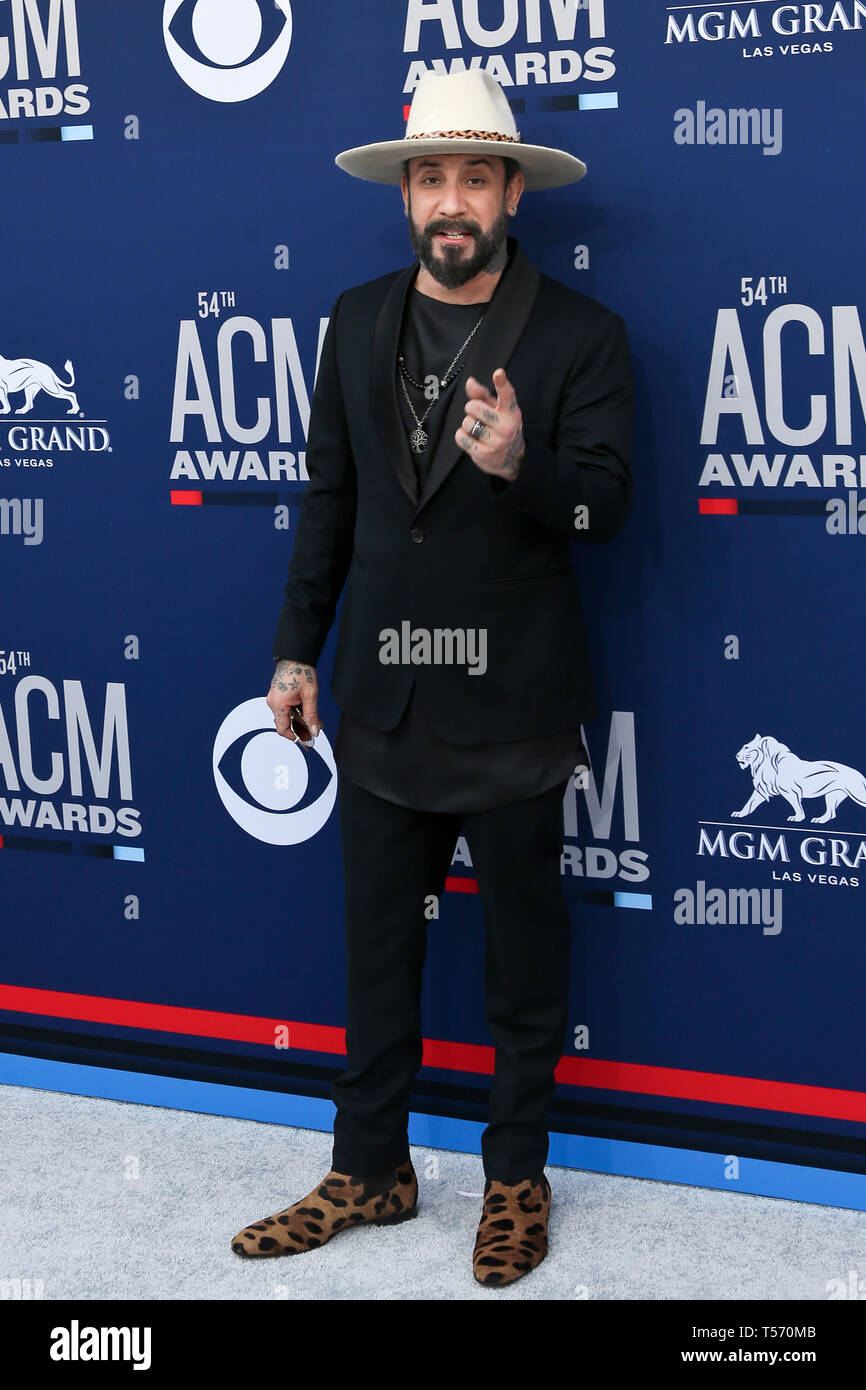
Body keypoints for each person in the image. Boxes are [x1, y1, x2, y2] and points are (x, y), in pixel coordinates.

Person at [231, 69, 633, 1288]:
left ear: (511, 191)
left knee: (520, 962)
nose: (447, 200)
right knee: (375, 953)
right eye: (426, 179)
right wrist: (298, 646)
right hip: (383, 698)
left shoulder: (581, 336)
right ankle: (372, 1167)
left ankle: (515, 1177)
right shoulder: (354, 320)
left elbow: (605, 508)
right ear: (404, 198)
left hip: (513, 707)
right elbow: (330, 504)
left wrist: (525, 464)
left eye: (471, 176)